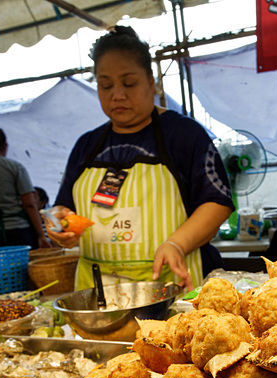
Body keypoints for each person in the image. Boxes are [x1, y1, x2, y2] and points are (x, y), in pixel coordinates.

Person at [51, 26, 233, 291]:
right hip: (99, 302)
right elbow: (63, 209)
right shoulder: (86, 146)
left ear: (151, 80)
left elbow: (216, 202)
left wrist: (176, 244)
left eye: (129, 83)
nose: (117, 94)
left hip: (173, 293)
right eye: (105, 85)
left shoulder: (183, 135)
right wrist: (59, 226)